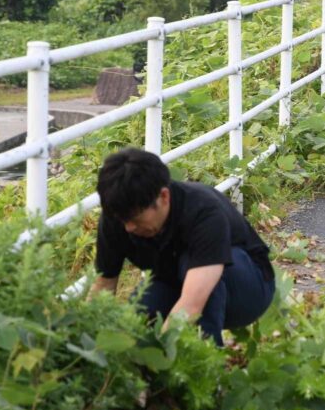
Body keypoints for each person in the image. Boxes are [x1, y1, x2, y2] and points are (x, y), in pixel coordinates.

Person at [89, 148, 275, 346]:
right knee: (141, 316)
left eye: (135, 218)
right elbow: (103, 285)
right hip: (175, 281)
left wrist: (163, 356)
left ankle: (206, 364)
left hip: (248, 288)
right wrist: (87, 340)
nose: (128, 227)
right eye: (122, 219)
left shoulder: (203, 211)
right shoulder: (117, 217)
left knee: (194, 281)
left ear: (164, 197)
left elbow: (191, 306)